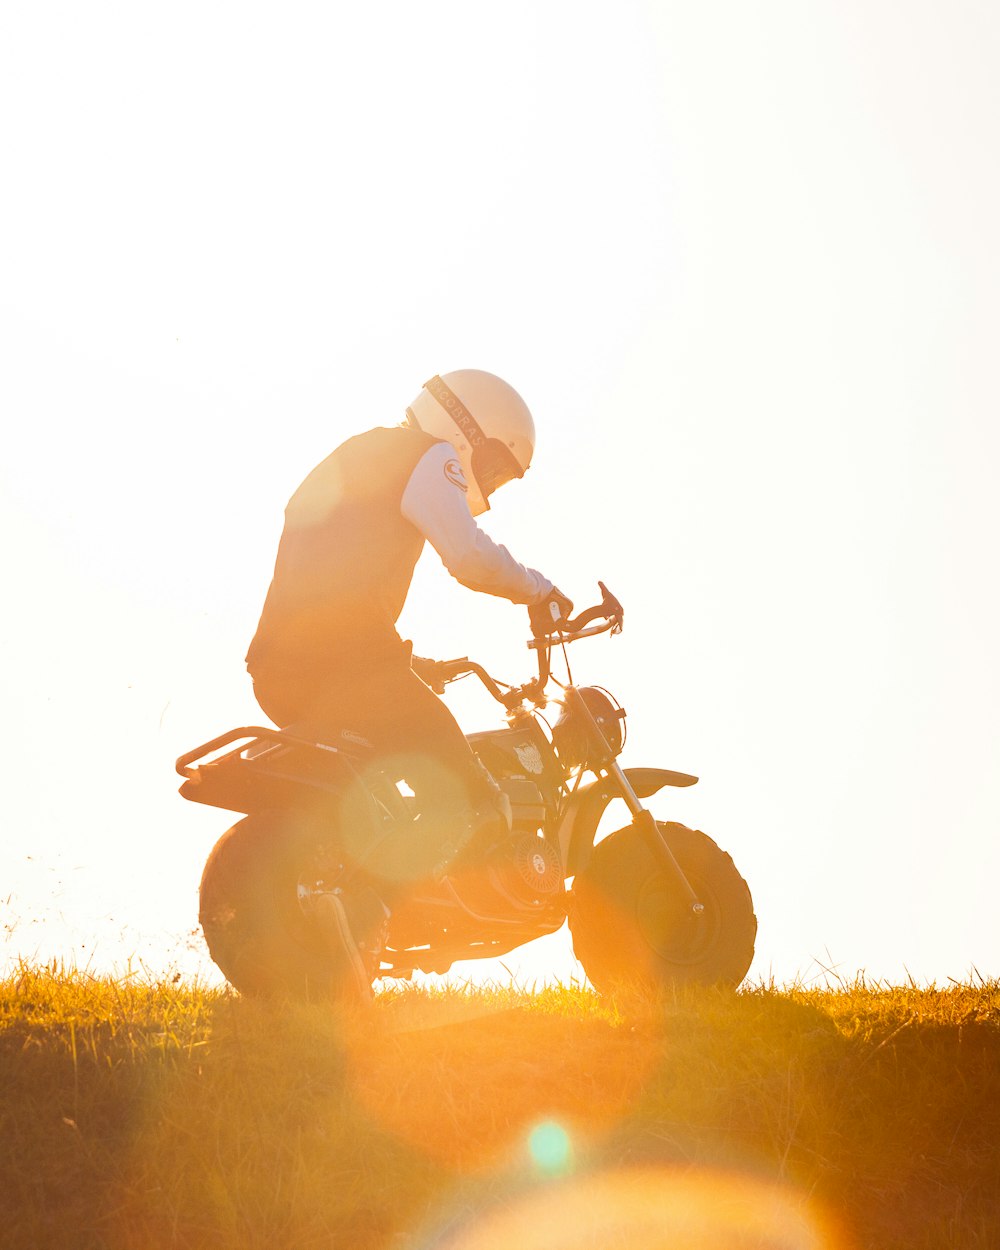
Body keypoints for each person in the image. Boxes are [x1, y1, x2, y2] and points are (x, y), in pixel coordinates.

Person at [245, 369, 572, 998]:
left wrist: (407, 665)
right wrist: (540, 591)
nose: (493, 483)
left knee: (403, 784)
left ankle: (368, 896)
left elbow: (334, 580)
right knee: (464, 789)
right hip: (344, 667)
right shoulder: (426, 455)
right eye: (497, 464)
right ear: (467, 426)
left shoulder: (363, 453)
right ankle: (366, 923)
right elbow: (469, 556)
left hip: (284, 671)